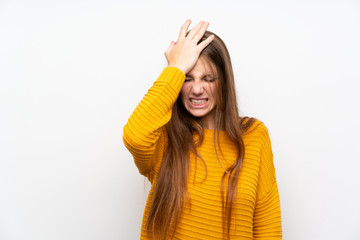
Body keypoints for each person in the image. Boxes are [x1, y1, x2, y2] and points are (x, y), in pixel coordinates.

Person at [123, 20, 282, 240]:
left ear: (224, 83)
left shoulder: (254, 136)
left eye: (208, 79)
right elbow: (134, 136)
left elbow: (268, 228)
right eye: (188, 79)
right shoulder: (163, 138)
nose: (197, 89)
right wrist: (175, 67)